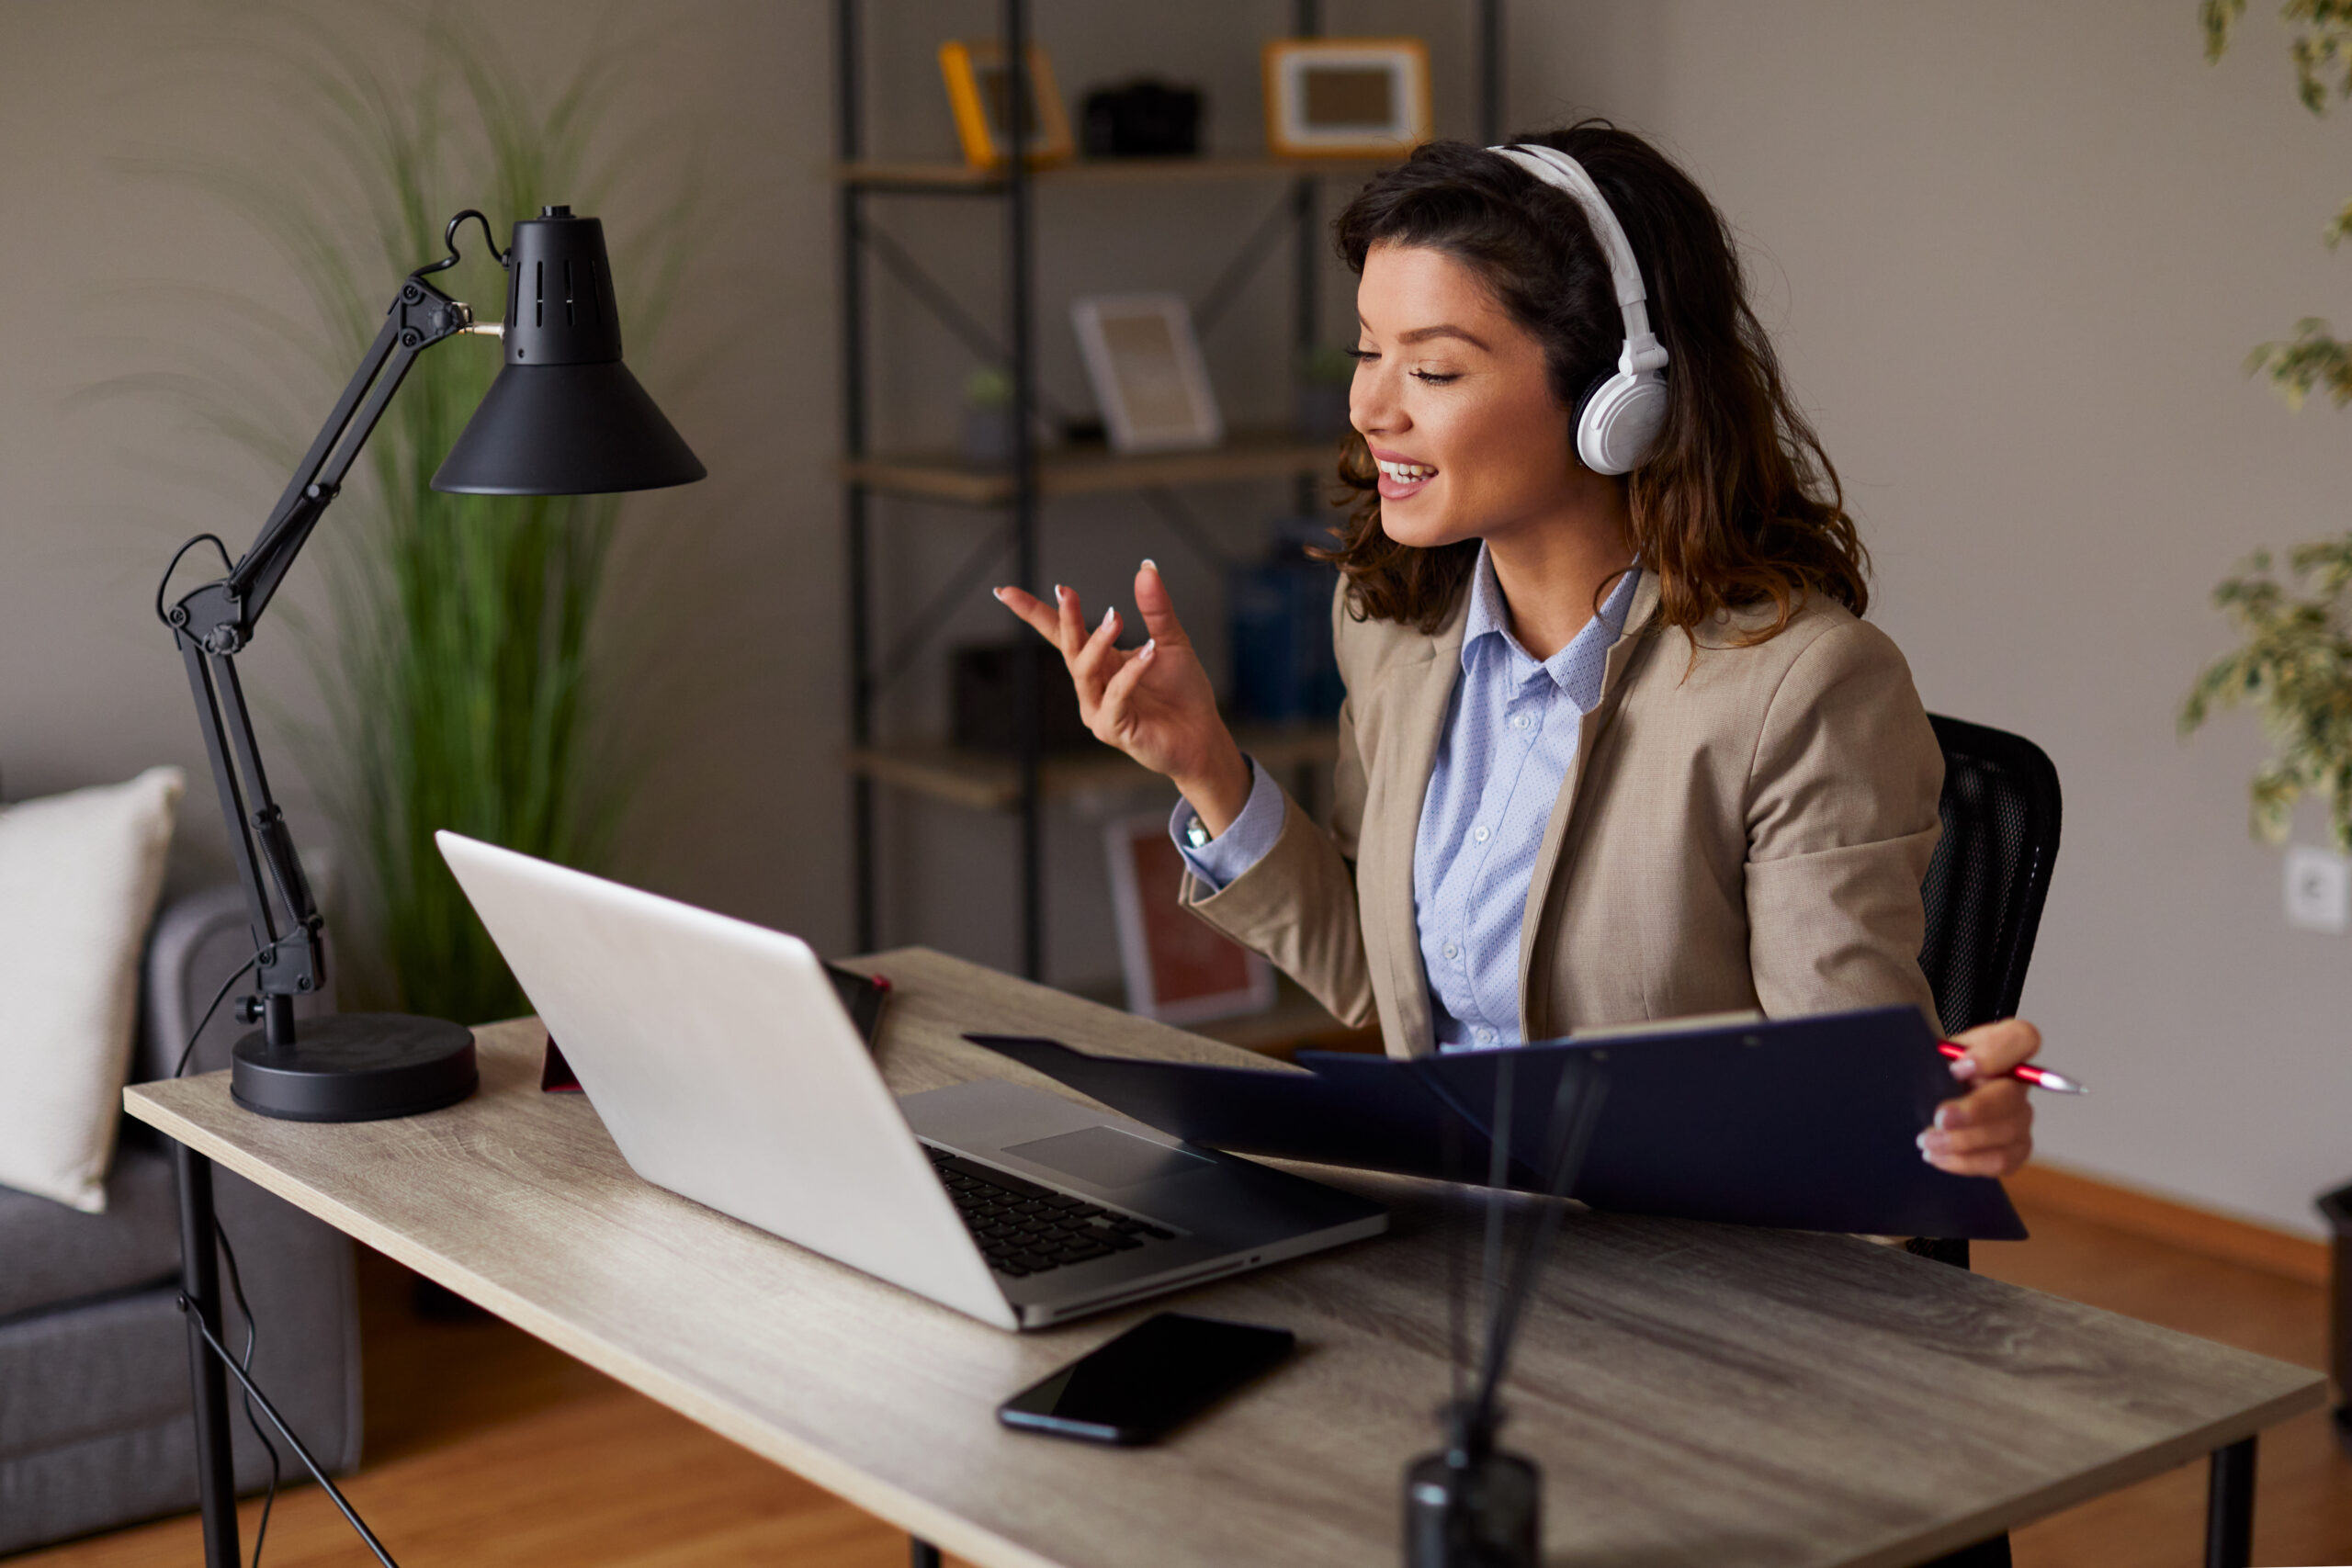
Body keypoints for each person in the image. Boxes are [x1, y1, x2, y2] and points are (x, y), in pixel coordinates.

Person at [993, 122, 2038, 1185]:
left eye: (1433, 369)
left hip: (1677, 1290)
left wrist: (1941, 1133)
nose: (1368, 408)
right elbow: (1379, 979)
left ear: (1615, 403)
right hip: (1446, 1243)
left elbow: (1859, 1130)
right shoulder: (1390, 626)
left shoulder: (1804, 689)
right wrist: (1204, 766)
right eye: (1367, 350)